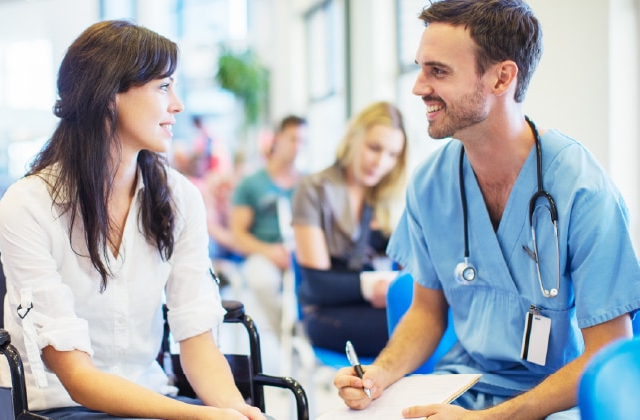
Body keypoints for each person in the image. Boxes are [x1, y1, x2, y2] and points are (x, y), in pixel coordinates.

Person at [333, 1, 640, 419]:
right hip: (460, 388)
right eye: (421, 68)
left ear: (502, 77)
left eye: (438, 71)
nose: (419, 87)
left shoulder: (581, 190)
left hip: (554, 400)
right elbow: (426, 311)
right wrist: (378, 375)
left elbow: (610, 351)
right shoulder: (430, 184)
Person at [0, 20, 265, 420]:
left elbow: (197, 339)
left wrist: (236, 411)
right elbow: (76, 377)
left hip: (151, 400)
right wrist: (196, 416)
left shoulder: (179, 198)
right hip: (60, 409)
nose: (178, 104)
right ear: (108, 95)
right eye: (163, 87)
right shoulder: (29, 205)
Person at [291, 101, 407, 357]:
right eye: (374, 148)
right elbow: (318, 285)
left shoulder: (387, 197)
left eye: (392, 155)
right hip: (326, 315)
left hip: (374, 307)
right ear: (353, 138)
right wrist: (374, 287)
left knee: (431, 323)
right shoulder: (313, 190)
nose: (381, 162)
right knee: (419, 334)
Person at [230, 115, 307, 333]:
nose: (298, 147)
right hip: (265, 254)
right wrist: (270, 251)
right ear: (277, 139)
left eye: (303, 141)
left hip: (301, 253)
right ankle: (292, 335)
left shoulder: (308, 184)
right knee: (261, 281)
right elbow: (238, 234)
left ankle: (311, 334)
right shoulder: (251, 184)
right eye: (293, 139)